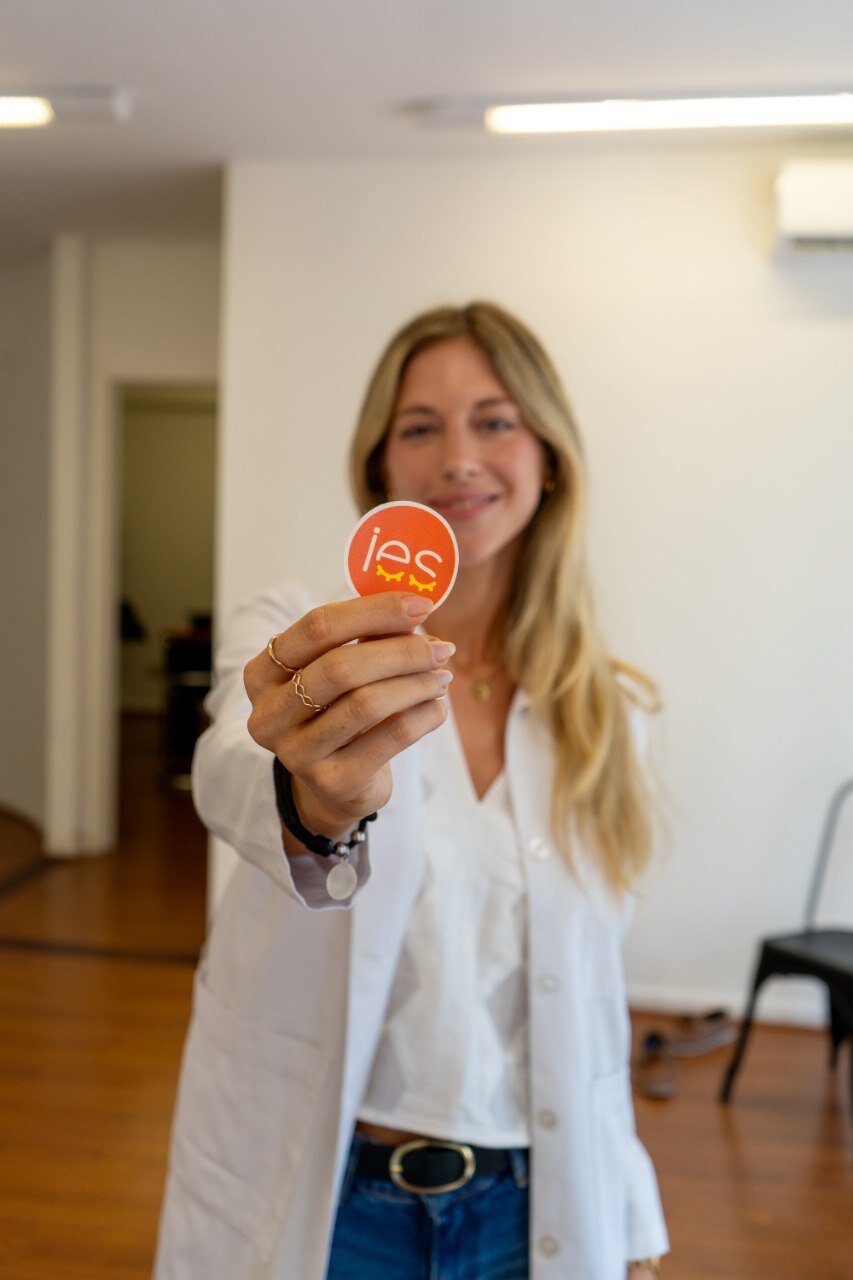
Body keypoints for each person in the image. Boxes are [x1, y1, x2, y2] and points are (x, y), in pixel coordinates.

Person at [153, 301, 670, 1280]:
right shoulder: (296, 634)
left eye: (495, 419)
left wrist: (631, 1216)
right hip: (330, 1202)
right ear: (380, 467)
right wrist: (314, 798)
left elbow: (594, 993)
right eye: (419, 427)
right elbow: (231, 769)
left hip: (531, 1207)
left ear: (548, 454)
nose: (458, 456)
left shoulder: (605, 710)